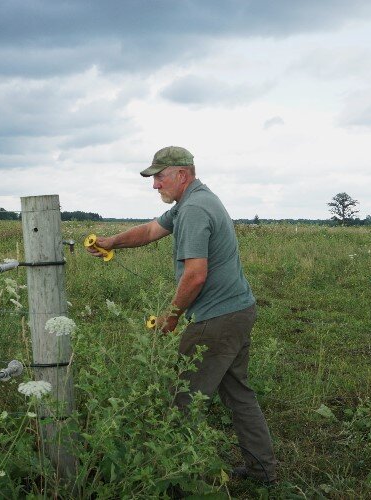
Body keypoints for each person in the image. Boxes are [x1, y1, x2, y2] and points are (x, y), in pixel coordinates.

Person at [86, 145, 278, 484]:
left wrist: (171, 317)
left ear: (182, 174)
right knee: (238, 394)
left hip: (217, 320)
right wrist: (111, 241)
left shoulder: (194, 209)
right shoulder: (192, 202)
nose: (155, 185)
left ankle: (175, 479)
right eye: (154, 178)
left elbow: (195, 275)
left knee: (183, 398)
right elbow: (149, 231)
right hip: (237, 311)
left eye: (159, 177)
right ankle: (262, 473)